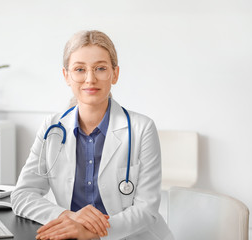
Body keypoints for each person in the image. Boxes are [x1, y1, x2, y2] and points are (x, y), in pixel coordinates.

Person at [11, 30, 174, 240]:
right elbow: (22, 195)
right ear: (66, 76)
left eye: (100, 68)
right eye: (80, 69)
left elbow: (146, 209)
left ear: (115, 74)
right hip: (73, 235)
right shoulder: (51, 128)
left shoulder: (141, 128)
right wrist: (70, 217)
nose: (90, 78)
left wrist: (92, 232)